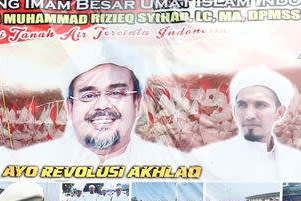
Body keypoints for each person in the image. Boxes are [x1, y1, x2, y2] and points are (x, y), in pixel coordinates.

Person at [20, 41, 186, 168]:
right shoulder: (33, 162)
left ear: (137, 103)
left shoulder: (169, 164)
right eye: (89, 95)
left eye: (116, 93)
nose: (102, 105)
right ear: (69, 107)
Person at [193, 66, 301, 180]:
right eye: (242, 105)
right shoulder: (205, 159)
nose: (249, 115)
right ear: (234, 111)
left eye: (260, 105)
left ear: (279, 113)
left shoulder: (297, 162)